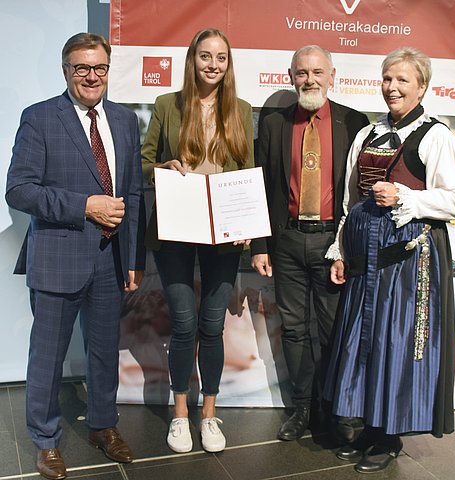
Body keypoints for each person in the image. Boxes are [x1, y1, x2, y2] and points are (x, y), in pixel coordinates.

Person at [5, 33, 146, 480]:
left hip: (110, 260)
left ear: (108, 70)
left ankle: (104, 425)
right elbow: (19, 189)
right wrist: (84, 205)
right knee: (47, 356)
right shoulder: (40, 118)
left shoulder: (124, 121)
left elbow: (135, 193)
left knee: (104, 352)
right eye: (81, 68)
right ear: (65, 70)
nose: (91, 76)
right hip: (57, 259)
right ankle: (45, 441)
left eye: (99, 67)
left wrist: (134, 258)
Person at [324, 47, 455, 473]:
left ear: (421, 86)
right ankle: (368, 428)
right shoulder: (367, 134)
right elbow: (351, 201)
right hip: (365, 258)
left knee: (396, 344)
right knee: (364, 342)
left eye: (403, 80)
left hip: (409, 262)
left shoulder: (435, 135)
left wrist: (407, 196)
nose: (392, 87)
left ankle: (389, 436)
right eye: (388, 79)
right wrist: (341, 250)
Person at [141, 28, 253, 454]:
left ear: (228, 64)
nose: (212, 64)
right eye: (205, 56)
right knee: (185, 324)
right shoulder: (167, 104)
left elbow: (248, 170)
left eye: (220, 58)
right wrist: (164, 167)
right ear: (192, 59)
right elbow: (144, 161)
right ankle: (180, 416)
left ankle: (209, 415)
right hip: (176, 228)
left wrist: (251, 231)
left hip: (223, 232)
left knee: (212, 324)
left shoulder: (240, 109)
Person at [250, 45, 369, 442]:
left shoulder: (356, 123)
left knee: (335, 328)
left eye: (318, 72)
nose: (310, 80)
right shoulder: (273, 124)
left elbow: (361, 193)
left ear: (332, 76)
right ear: (290, 76)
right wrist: (260, 246)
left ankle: (336, 408)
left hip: (334, 242)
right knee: (296, 330)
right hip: (286, 242)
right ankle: (302, 408)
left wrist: (352, 247)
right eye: (302, 73)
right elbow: (262, 188)